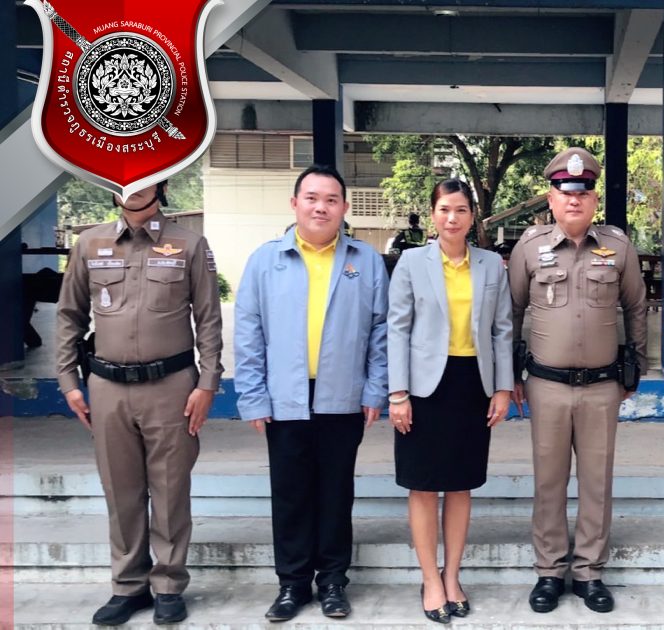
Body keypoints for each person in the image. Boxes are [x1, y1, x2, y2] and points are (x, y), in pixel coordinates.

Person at [56, 181, 222, 625]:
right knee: (120, 489)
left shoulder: (188, 244)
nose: (131, 189)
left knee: (170, 490)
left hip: (171, 386)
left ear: (161, 185)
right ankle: (128, 585)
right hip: (107, 387)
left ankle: (168, 585)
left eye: (144, 179)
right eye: (122, 181)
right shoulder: (89, 244)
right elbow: (69, 315)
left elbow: (208, 319)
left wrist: (208, 383)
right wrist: (69, 381)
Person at [234, 164, 388, 621]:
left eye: (331, 200)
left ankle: (333, 581)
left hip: (343, 397)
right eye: (312, 198)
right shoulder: (266, 261)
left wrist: (375, 390)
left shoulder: (366, 260)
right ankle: (293, 584)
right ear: (295, 203)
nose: (321, 207)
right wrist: (253, 396)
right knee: (290, 493)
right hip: (285, 398)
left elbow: (381, 332)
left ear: (344, 207)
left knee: (336, 492)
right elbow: (248, 332)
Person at [508, 147, 648, 614]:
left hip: (602, 387)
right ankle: (550, 571)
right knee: (549, 480)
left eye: (583, 192)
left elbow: (636, 308)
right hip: (545, 385)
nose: (574, 200)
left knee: (596, 482)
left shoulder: (618, 247)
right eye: (565, 192)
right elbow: (511, 313)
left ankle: (589, 571)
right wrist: (510, 374)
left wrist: (634, 365)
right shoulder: (529, 248)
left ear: (594, 199)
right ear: (551, 198)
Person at [387, 179, 514, 623]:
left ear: (472, 216)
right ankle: (430, 580)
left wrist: (503, 387)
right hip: (422, 389)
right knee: (423, 485)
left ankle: (453, 575)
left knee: (460, 484)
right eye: (444, 209)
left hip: (471, 384)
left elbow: (502, 329)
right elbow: (397, 328)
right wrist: (397, 393)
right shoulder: (411, 262)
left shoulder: (491, 265)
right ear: (433, 214)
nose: (452, 218)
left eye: (461, 210)